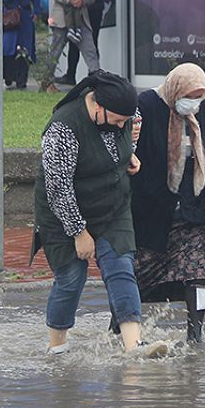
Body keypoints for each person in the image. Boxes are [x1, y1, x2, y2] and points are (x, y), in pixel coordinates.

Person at [31, 70, 169, 358]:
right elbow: (58, 187)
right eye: (118, 120)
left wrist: (128, 154)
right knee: (71, 278)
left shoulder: (127, 115)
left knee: (121, 267)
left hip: (111, 205)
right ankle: (57, 345)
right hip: (62, 211)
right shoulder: (63, 129)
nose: (122, 124)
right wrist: (79, 232)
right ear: (97, 106)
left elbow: (127, 137)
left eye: (125, 121)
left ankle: (134, 346)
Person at [130, 63, 205, 342]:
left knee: (196, 268)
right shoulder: (145, 106)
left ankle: (195, 332)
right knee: (134, 272)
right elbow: (130, 153)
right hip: (150, 205)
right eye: (189, 95)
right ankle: (124, 328)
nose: (193, 103)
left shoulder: (204, 113)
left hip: (193, 205)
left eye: (199, 96)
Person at [42, 0, 100, 91]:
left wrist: (82, 0)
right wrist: (68, 0)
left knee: (90, 51)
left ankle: (97, 83)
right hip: (61, 19)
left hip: (81, 18)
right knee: (55, 51)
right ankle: (46, 83)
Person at [2, 0, 40, 90]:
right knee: (8, 48)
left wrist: (36, 12)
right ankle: (8, 76)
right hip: (10, 17)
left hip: (24, 17)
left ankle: (21, 81)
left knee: (24, 49)